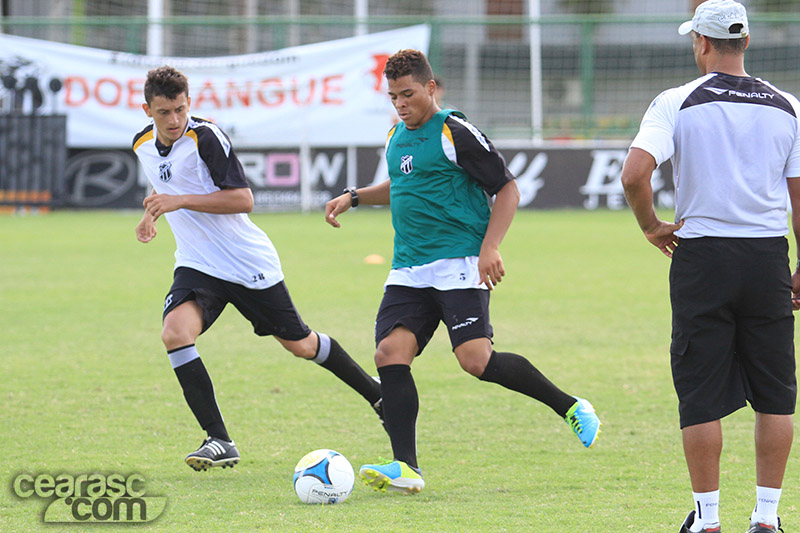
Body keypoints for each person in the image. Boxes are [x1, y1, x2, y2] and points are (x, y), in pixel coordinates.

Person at [325, 49, 601, 494]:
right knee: (389, 354)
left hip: (458, 264)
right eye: (393, 96)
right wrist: (355, 197)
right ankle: (406, 466)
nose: (400, 103)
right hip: (409, 268)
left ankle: (570, 406)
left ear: (431, 88)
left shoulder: (455, 131)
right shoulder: (396, 134)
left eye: (409, 94)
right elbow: (403, 185)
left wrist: (490, 247)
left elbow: (507, 187)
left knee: (475, 361)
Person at [132, 66, 383, 472]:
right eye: (164, 112)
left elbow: (243, 199)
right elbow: (166, 188)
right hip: (198, 264)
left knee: (300, 344)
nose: (174, 120)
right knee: (175, 333)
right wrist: (153, 214)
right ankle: (219, 439)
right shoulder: (141, 144)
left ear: (189, 103)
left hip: (246, 262)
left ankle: (376, 394)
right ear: (147, 110)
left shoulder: (206, 138)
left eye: (180, 109)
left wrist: (178, 200)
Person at [620, 2, 800, 532]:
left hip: (702, 257)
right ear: (745, 42)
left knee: (700, 394)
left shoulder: (676, 101)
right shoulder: (788, 105)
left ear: (701, 42)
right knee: (776, 393)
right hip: (767, 257)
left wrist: (651, 225)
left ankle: (708, 519)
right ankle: (767, 519)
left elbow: (635, 175)